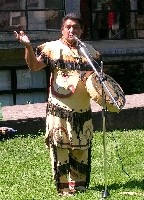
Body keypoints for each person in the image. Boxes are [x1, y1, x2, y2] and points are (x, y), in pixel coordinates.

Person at [14, 12, 102, 196]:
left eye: (76, 27)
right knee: (60, 148)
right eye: (68, 27)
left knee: (81, 149)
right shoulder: (52, 48)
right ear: (62, 29)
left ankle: (79, 186)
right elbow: (34, 66)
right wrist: (28, 46)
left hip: (83, 111)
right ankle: (63, 190)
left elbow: (98, 82)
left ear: (82, 30)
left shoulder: (91, 53)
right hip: (59, 111)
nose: (72, 30)